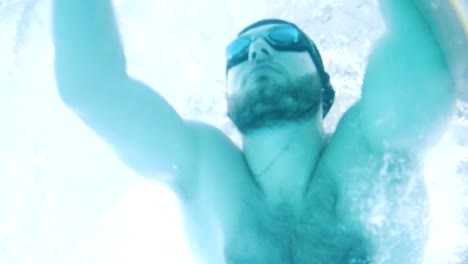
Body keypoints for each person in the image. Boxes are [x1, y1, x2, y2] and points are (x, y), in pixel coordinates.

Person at [52, 0, 455, 263]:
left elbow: (428, 54)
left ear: (325, 89)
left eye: (283, 40)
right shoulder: (205, 169)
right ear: (228, 102)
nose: (258, 52)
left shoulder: (372, 145)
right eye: (237, 55)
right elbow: (91, 87)